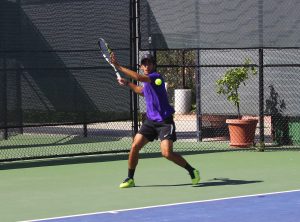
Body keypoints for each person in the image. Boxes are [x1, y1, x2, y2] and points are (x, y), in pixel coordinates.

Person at [110, 52, 200, 188]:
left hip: (165, 121)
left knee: (166, 153)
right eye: (144, 64)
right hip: (150, 121)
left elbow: (139, 77)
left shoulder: (155, 76)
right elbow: (141, 91)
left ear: (153, 65)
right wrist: (127, 83)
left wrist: (119, 66)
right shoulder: (147, 81)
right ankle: (130, 178)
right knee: (135, 146)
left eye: (149, 63)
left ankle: (192, 170)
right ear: (141, 66)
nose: (146, 66)